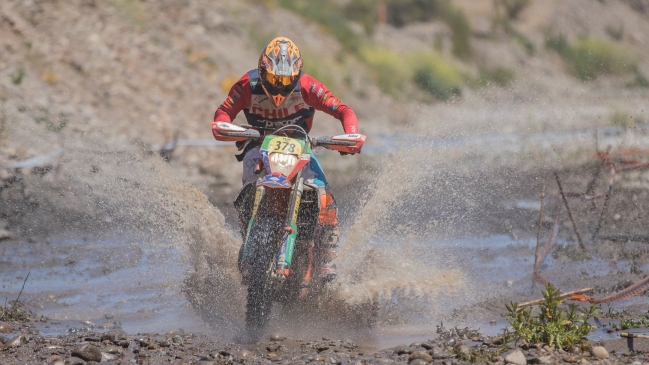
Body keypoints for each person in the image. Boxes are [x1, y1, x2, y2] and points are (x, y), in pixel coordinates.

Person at [211, 36, 361, 284]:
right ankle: (248, 236)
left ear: (297, 74)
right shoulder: (246, 85)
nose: (280, 87)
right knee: (251, 184)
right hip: (258, 143)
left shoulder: (309, 87)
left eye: (286, 81)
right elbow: (223, 112)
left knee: (325, 198)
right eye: (274, 79)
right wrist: (223, 126)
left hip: (300, 147)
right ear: (262, 71)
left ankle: (326, 261)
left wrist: (351, 134)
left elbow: (343, 110)